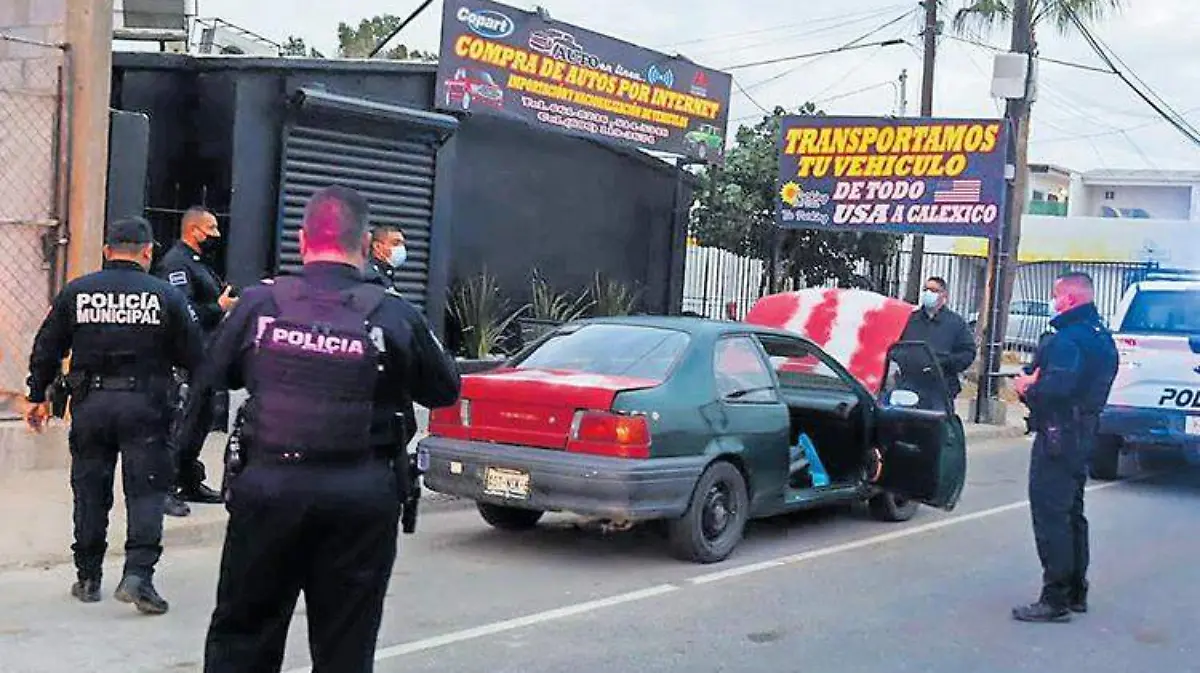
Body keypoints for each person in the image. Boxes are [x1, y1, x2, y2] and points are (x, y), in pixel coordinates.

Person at [192, 185, 461, 672]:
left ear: (301, 240)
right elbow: (444, 389)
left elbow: (215, 374)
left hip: (269, 488)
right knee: (346, 644)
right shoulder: (394, 312)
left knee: (243, 634)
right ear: (364, 246)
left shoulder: (259, 305)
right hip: (360, 497)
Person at [23, 216, 205, 615]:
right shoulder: (166, 297)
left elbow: (46, 347)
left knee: (90, 491)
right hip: (147, 406)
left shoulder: (77, 292)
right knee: (146, 491)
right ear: (147, 252)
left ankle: (88, 577)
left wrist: (36, 395)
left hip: (91, 406)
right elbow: (195, 356)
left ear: (107, 252)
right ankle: (138, 575)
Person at [1011, 271, 1118, 623]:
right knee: (1072, 512)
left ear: (1070, 299)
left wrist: (1028, 387)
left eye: (1058, 296)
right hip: (1086, 432)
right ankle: (1075, 590)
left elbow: (1056, 388)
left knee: (1051, 515)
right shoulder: (1101, 337)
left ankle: (1054, 596)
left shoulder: (1067, 340)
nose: (1054, 303)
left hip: (1059, 434)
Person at [155, 206, 237, 516]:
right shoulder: (176, 264)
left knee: (201, 420)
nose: (216, 235)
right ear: (194, 230)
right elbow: (182, 312)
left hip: (207, 355)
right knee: (183, 423)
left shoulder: (199, 263)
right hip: (187, 356)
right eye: (211, 228)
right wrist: (219, 306)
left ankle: (188, 479)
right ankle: (163, 488)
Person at [897, 276, 976, 411]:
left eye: (933, 290)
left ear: (944, 295)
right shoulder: (911, 320)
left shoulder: (956, 323)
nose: (928, 293)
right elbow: (898, 347)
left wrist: (943, 362)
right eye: (926, 289)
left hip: (941, 388)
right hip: (909, 386)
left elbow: (968, 353)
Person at [365, 222, 406, 291]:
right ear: (377, 246)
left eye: (402, 244)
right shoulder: (370, 277)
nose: (401, 248)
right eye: (395, 243)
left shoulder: (385, 274)